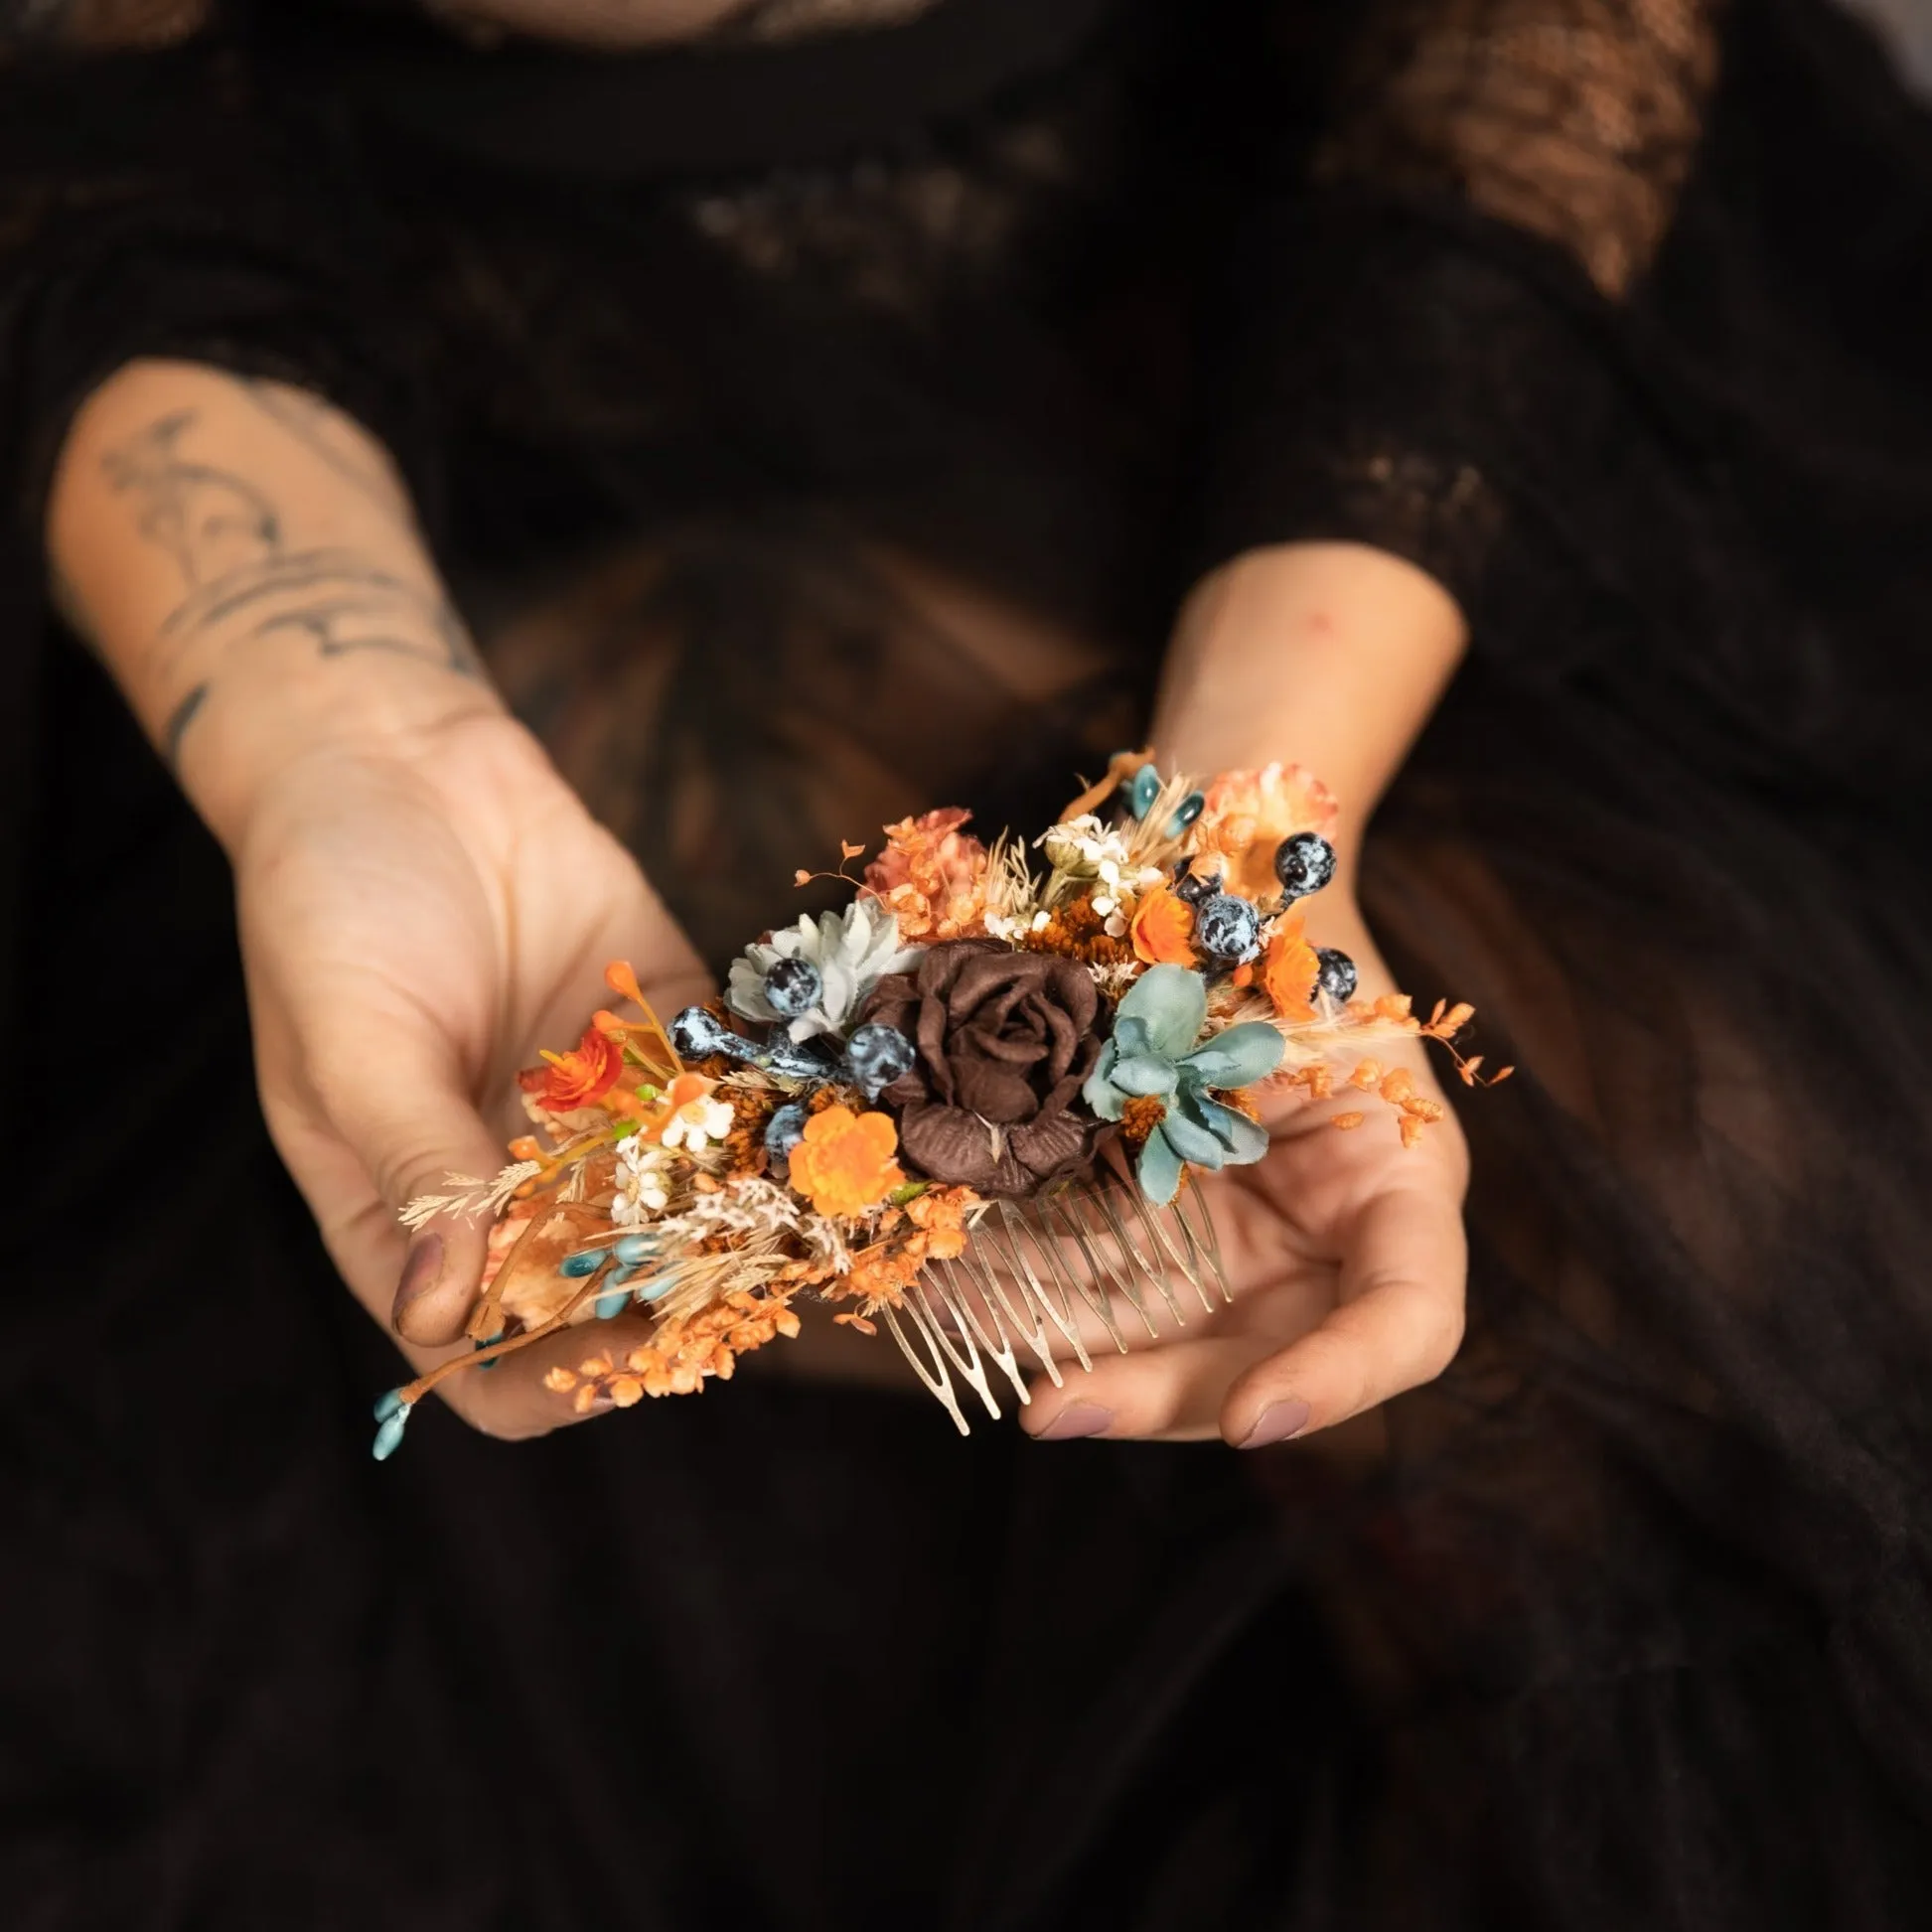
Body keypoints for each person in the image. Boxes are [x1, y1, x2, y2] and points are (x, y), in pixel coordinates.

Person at [5, 1, 1932, 1926]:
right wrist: (342, 732)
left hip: (1335, 371)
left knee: (1676, 1185)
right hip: (364, 462)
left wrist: (1259, 800)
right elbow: (79, 133)